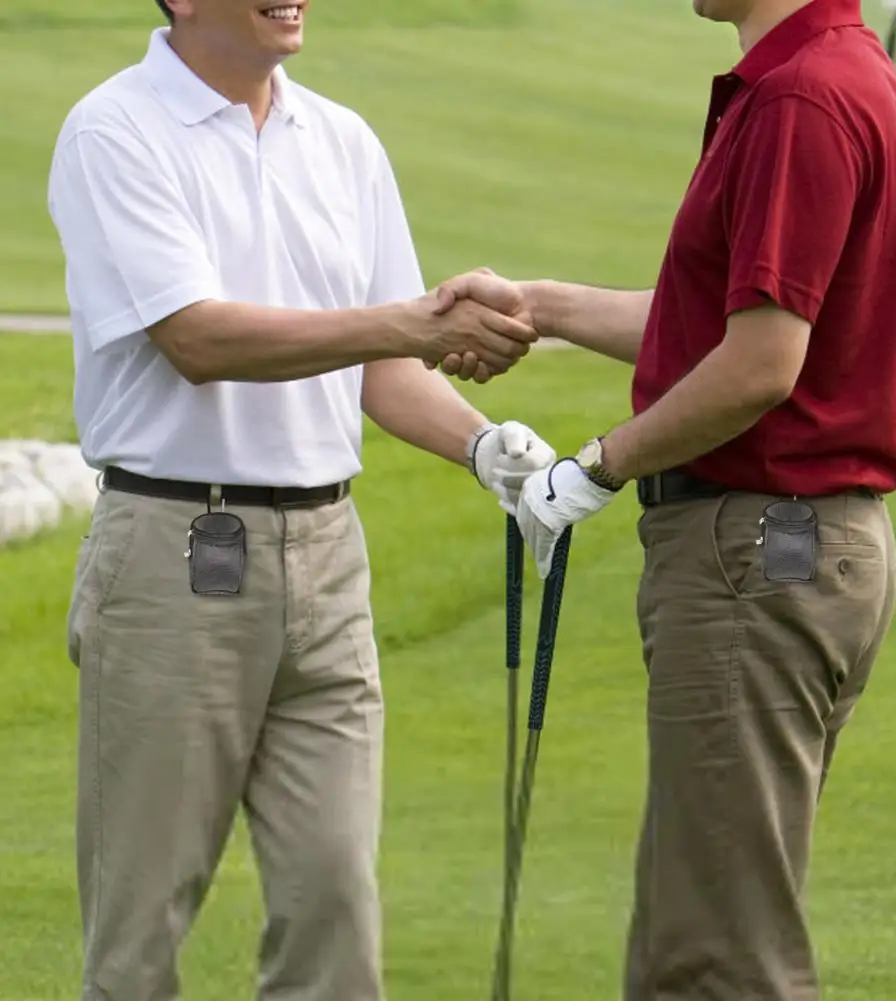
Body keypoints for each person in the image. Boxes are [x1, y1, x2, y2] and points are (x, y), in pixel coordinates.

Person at [46, 2, 556, 999]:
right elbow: (197, 338)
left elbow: (385, 366)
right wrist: (405, 321)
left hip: (327, 559)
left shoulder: (343, 140)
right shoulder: (114, 129)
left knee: (333, 898)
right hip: (173, 554)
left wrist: (487, 449)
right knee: (141, 917)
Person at [434, 0, 896, 997]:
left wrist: (592, 468)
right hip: (797, 547)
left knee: (715, 951)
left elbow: (755, 367)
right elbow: (724, 321)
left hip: (756, 550)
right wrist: (546, 306)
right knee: (704, 918)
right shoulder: (832, 72)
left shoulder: (801, 97)